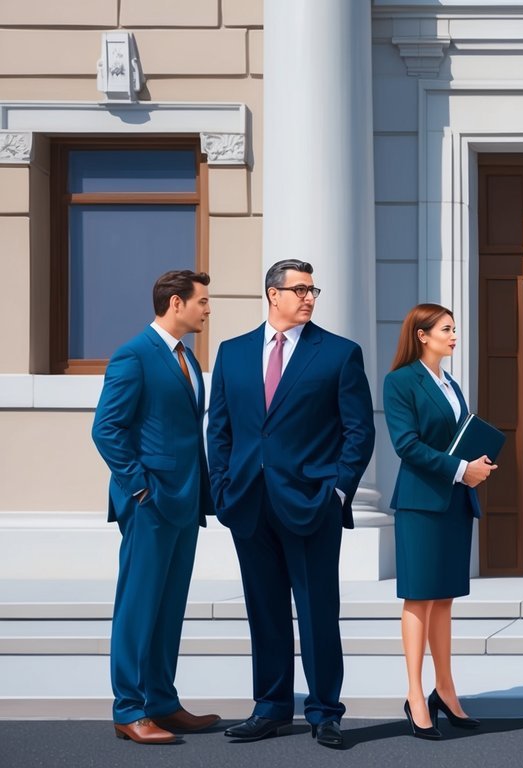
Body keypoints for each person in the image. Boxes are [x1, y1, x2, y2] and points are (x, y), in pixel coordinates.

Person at [207, 260, 375, 749]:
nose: (309, 297)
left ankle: (325, 711)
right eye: (299, 289)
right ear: (272, 295)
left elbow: (358, 432)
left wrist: (338, 489)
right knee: (265, 609)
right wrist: (222, 486)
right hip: (246, 502)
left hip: (312, 502)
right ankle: (272, 707)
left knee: (319, 610)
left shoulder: (339, 354)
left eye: (312, 289)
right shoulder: (233, 353)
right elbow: (219, 428)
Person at [91, 270, 219, 744]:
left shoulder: (188, 358)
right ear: (174, 303)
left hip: (185, 503)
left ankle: (162, 702)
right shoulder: (133, 355)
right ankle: (129, 709)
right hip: (150, 503)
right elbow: (107, 430)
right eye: (202, 301)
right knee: (139, 607)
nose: (207, 309)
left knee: (169, 608)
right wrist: (140, 489)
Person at [383, 304, 497, 739]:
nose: (454, 336)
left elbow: (455, 438)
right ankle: (415, 695)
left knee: (444, 599)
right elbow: (406, 445)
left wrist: (475, 463)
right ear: (422, 335)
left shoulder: (449, 383)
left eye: (454, 328)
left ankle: (445, 690)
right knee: (419, 597)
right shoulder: (400, 382)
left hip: (453, 502)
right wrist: (459, 468)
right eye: (446, 329)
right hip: (421, 503)